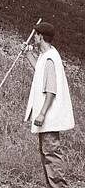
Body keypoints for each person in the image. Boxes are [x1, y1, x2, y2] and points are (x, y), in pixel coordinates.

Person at [24, 22, 75, 187]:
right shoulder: (47, 56)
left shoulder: (50, 59)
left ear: (40, 37)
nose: (34, 38)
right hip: (48, 117)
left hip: (49, 117)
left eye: (36, 35)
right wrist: (27, 54)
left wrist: (42, 113)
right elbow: (39, 71)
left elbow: (51, 90)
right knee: (47, 154)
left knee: (51, 154)